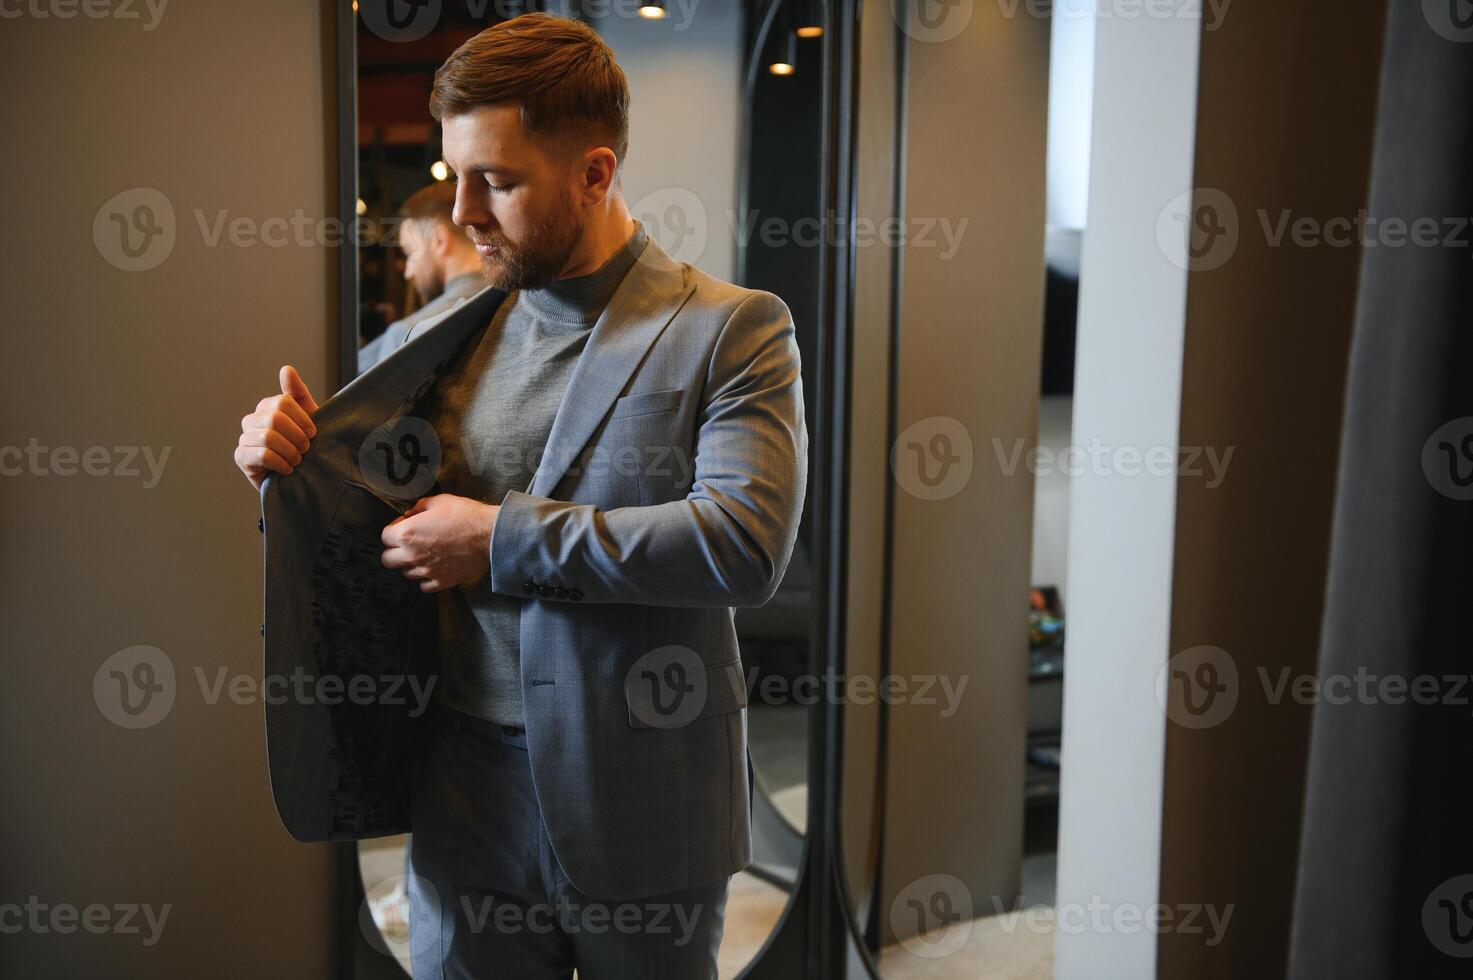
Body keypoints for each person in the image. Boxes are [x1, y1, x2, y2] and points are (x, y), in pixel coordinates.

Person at [233, 13, 807, 978]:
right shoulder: (432, 337)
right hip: (460, 791)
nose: (460, 212)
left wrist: (500, 540)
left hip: (642, 789)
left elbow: (741, 544)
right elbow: (359, 521)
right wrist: (279, 464)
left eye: (494, 181)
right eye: (454, 173)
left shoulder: (730, 329)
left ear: (594, 173)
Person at [358, 181, 486, 374]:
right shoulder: (520, 307)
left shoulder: (407, 336)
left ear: (439, 241)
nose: (408, 272)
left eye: (409, 252)